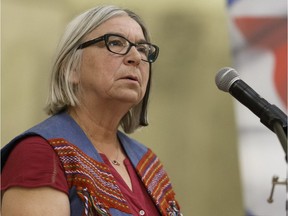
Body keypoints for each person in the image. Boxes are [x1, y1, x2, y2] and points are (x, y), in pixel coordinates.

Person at [1, 5, 182, 216]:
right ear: (71, 69)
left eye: (143, 49)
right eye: (115, 42)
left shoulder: (148, 164)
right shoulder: (40, 154)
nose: (135, 57)